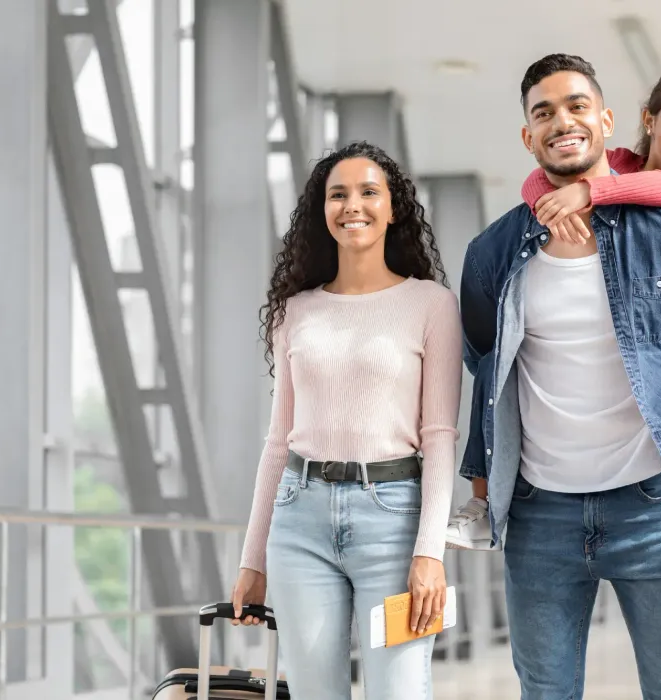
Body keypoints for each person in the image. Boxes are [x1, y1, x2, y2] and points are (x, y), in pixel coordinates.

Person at [457, 55, 661, 699]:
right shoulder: (493, 251)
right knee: (545, 690)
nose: (562, 121)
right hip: (539, 515)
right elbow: (482, 357)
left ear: (607, 121)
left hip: (654, 510)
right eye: (544, 112)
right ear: (528, 136)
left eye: (577, 106)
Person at [446, 64, 661, 564]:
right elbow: (480, 353)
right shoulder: (613, 165)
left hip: (652, 498)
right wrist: (548, 202)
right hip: (540, 503)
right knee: (496, 366)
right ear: (648, 120)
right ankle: (480, 500)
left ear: (605, 119)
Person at [228, 141, 462, 700]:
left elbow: (439, 438)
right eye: (338, 194)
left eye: (368, 192)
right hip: (299, 521)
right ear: (323, 210)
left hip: (395, 522)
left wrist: (430, 551)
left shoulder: (431, 304)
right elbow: (278, 442)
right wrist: (252, 561)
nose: (352, 205)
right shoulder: (295, 310)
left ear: (393, 208)